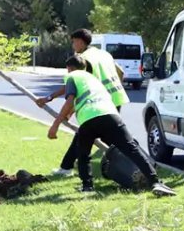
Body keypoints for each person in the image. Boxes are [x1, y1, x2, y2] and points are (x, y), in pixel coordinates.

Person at [46, 55, 175, 196]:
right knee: (132, 148)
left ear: (69, 68)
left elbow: (70, 99)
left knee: (84, 154)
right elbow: (83, 97)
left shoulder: (72, 77)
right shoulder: (93, 80)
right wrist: (54, 103)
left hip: (89, 119)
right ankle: (155, 182)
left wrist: (55, 125)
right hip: (110, 115)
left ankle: (87, 187)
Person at [37, 29, 130, 177]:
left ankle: (67, 168)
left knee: (85, 134)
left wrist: (55, 103)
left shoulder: (83, 58)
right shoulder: (104, 54)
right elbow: (121, 73)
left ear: (80, 41)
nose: (73, 46)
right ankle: (131, 164)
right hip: (115, 98)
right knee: (110, 136)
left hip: (98, 102)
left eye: (73, 42)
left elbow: (76, 85)